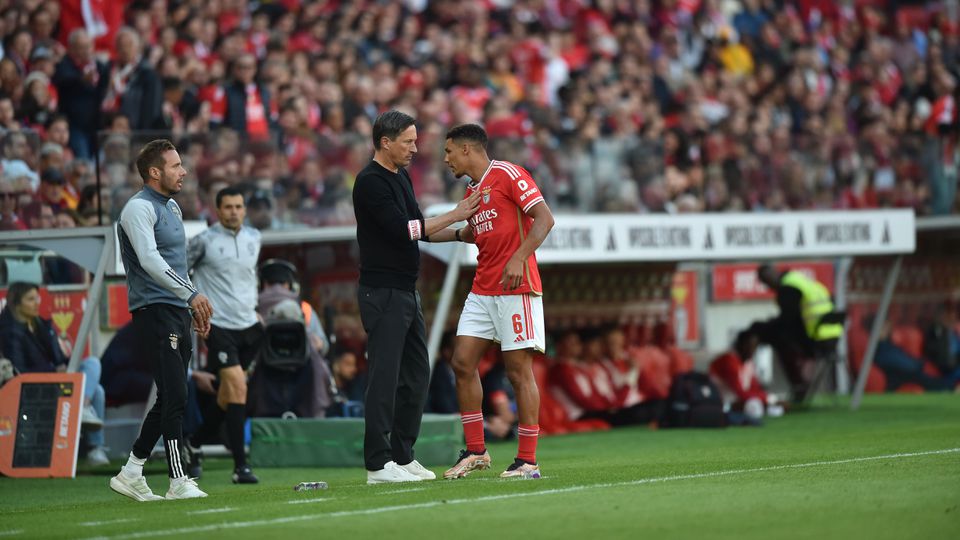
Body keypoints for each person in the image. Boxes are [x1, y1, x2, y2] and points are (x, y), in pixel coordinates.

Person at [352, 110, 480, 484]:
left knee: (416, 376)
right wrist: (456, 214)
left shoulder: (401, 176)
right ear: (385, 142)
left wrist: (458, 234)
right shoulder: (370, 182)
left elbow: (421, 230)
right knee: (384, 377)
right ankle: (377, 463)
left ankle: (402, 456)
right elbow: (404, 230)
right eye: (408, 141)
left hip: (407, 290)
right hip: (382, 291)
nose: (415, 148)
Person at [439, 123, 555, 480]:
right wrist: (421, 232)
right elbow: (473, 233)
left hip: (516, 287)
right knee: (461, 363)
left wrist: (520, 257)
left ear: (466, 150)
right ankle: (477, 451)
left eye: (448, 152)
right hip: (483, 288)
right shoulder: (474, 191)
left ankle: (527, 460)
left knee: (518, 371)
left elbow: (544, 219)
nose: (445, 159)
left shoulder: (507, 173)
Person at [109, 139, 214, 501]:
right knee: (176, 394)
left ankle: (131, 471)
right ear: (155, 172)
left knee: (171, 394)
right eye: (175, 165)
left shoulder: (170, 206)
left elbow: (177, 264)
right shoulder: (137, 209)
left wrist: (192, 305)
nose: (183, 171)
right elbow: (151, 262)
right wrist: (192, 295)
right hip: (153, 310)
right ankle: (177, 479)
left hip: (175, 310)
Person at [184, 186, 262, 484]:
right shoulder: (203, 241)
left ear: (245, 209)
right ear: (217, 210)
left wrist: (254, 311)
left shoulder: (255, 238)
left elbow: (246, 278)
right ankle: (240, 466)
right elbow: (180, 274)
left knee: (230, 394)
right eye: (228, 207)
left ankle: (194, 441)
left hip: (249, 327)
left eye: (239, 206)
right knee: (238, 388)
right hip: (219, 327)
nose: (234, 212)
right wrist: (193, 310)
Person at [0, 281, 109, 466]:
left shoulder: (41, 324)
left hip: (56, 379)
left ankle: (94, 445)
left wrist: (66, 365)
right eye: (31, 299)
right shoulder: (10, 332)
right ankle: (85, 416)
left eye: (38, 298)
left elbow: (58, 359)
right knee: (94, 376)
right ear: (16, 303)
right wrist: (53, 371)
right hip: (36, 388)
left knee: (94, 375)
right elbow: (19, 372)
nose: (37, 303)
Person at [752, 264, 843, 402]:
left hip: (817, 339)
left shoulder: (789, 288)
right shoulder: (800, 280)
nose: (768, 287)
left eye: (766, 282)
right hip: (834, 337)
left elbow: (789, 320)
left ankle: (798, 384)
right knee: (779, 335)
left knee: (777, 338)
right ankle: (799, 382)